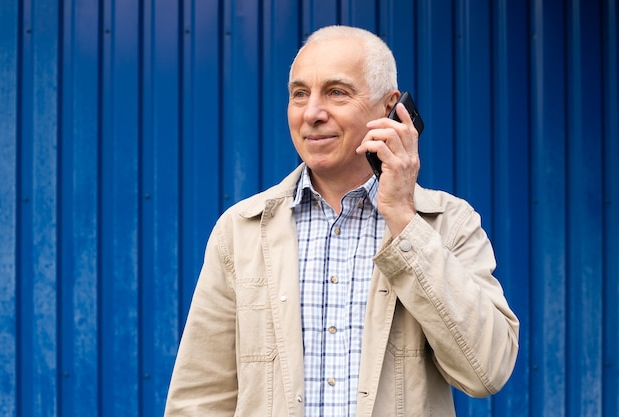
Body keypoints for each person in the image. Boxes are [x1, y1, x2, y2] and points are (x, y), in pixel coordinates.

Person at [164, 25, 519, 416]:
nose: (312, 113)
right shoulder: (241, 230)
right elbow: (199, 399)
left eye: (336, 92)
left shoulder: (448, 223)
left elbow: (486, 371)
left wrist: (403, 217)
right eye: (300, 94)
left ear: (391, 110)